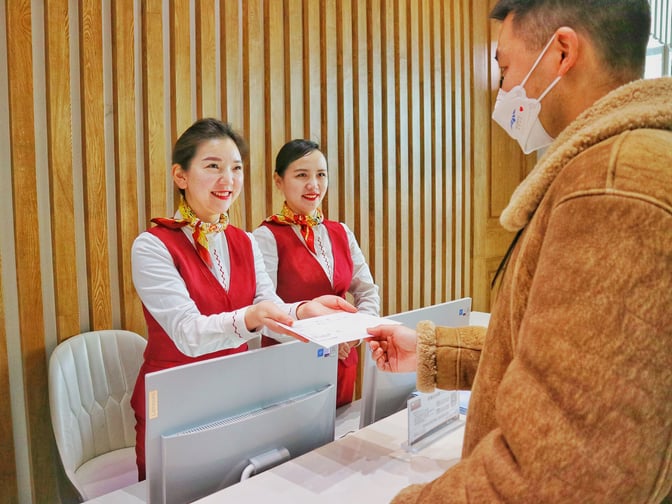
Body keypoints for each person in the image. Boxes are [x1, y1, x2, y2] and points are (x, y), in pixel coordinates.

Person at [367, 1, 672, 502]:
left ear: (563, 52)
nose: (505, 90)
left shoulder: (612, 185)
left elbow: (558, 473)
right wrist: (434, 350)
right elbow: (570, 359)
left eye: (505, 68)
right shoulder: (622, 164)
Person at [130, 119, 355, 480]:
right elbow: (188, 333)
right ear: (181, 176)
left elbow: (270, 305)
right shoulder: (153, 246)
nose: (228, 180)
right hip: (175, 406)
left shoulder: (245, 241)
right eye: (213, 167)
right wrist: (252, 317)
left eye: (236, 168)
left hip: (237, 398)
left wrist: (304, 311)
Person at [253, 139, 380, 407]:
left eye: (321, 175)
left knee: (341, 437)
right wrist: (322, 337)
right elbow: (264, 311)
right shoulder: (267, 236)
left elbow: (367, 291)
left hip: (342, 359)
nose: (314, 185)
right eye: (302, 175)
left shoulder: (341, 232)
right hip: (289, 364)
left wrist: (354, 334)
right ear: (278, 181)